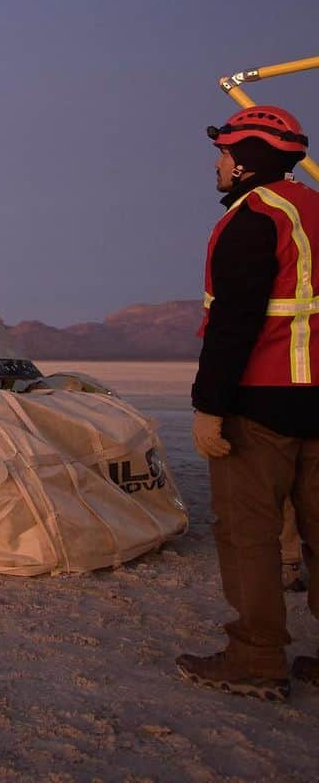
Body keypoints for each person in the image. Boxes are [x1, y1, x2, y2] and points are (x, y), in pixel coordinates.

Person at [177, 105, 319, 700]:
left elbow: (235, 323)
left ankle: (256, 659)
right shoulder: (313, 210)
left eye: (224, 153)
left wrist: (209, 406)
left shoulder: (252, 220)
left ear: (246, 163)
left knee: (250, 536)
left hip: (260, 404)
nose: (218, 163)